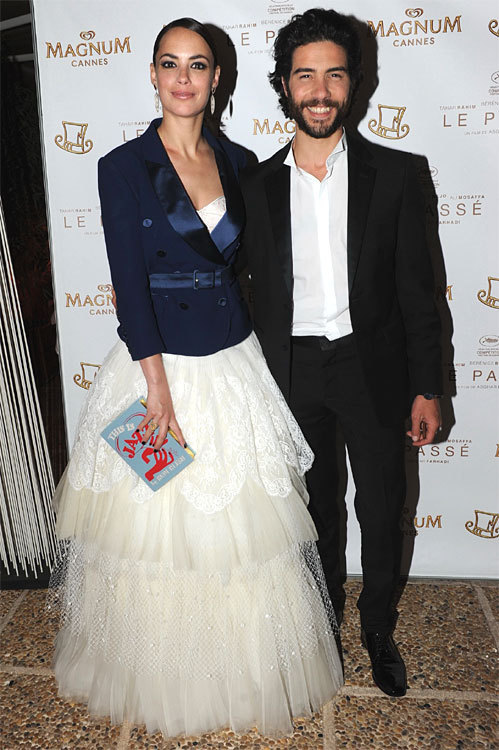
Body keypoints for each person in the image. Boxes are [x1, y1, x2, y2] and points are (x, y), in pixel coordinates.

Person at [49, 17, 343, 739]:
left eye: (198, 65)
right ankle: (160, 677)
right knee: (155, 537)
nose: (183, 78)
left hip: (233, 358)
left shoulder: (242, 160)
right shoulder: (120, 166)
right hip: (158, 366)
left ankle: (242, 674)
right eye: (169, 64)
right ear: (152, 75)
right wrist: (156, 389)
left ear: (217, 79)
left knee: (242, 535)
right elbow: (128, 282)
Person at [240, 8, 442, 698]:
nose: (319, 90)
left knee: (382, 510)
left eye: (333, 74)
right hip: (290, 372)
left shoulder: (397, 175)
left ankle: (376, 629)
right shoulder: (253, 188)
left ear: (354, 84)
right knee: (313, 514)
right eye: (305, 75)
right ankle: (320, 633)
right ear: (284, 86)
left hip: (373, 369)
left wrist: (429, 387)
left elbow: (420, 295)